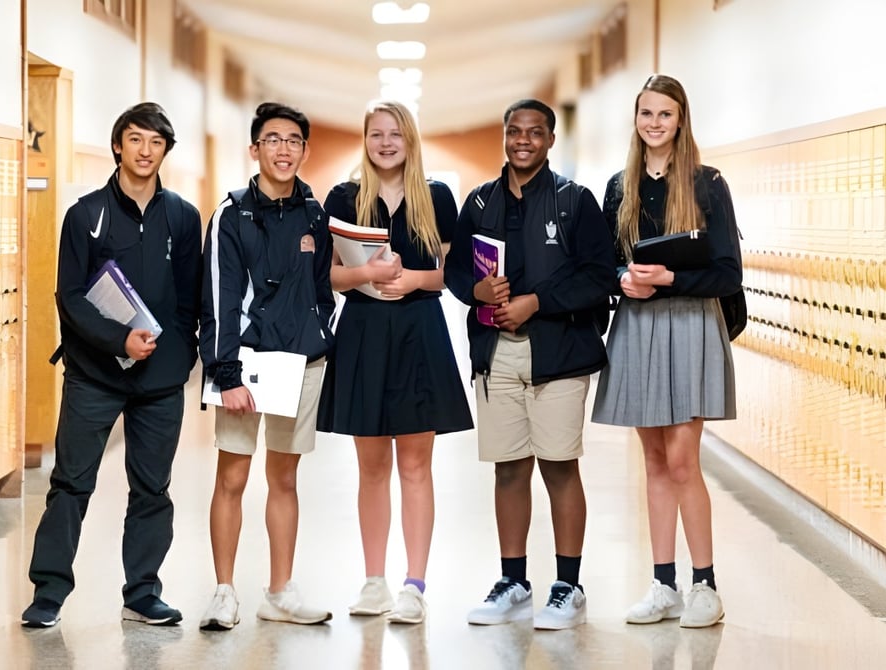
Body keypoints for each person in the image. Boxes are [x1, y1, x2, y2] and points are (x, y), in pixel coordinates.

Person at [21, 102, 203, 628]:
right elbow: (70, 297)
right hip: (94, 375)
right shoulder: (85, 215)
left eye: (156, 142)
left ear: (166, 150)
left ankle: (142, 592)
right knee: (71, 484)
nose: (146, 151)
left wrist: (180, 355)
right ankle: (48, 592)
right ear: (118, 145)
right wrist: (119, 339)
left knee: (153, 489)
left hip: (161, 380)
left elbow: (191, 299)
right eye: (136, 140)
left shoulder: (183, 218)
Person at [444, 99, 616, 630]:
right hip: (497, 354)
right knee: (509, 468)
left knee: (559, 466)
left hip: (559, 354)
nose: (523, 140)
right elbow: (453, 271)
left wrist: (536, 302)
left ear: (550, 139)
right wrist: (475, 290)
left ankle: (568, 585)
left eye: (534, 132)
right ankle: (514, 581)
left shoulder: (576, 202)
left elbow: (599, 277)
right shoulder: (479, 201)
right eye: (514, 131)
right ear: (504, 136)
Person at [590, 74, 741, 629]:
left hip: (689, 324)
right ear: (636, 120)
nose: (654, 123)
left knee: (682, 461)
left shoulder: (707, 184)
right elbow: (603, 262)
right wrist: (621, 280)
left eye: (665, 115)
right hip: (637, 325)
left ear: (681, 120)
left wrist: (669, 277)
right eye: (646, 114)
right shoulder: (619, 187)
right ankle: (663, 584)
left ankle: (706, 585)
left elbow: (727, 272)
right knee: (652, 461)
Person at [316, 100, 474, 625]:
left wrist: (412, 280)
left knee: (415, 465)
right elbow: (329, 276)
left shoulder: (436, 197)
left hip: (418, 333)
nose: (385, 143)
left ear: (410, 140)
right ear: (365, 140)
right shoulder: (342, 197)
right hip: (363, 333)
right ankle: (374, 581)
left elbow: (454, 275)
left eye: (395, 134)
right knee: (372, 468)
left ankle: (415, 584)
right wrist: (367, 277)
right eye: (376, 134)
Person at [198, 102, 334, 630]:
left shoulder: (314, 213)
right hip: (246, 366)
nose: (284, 149)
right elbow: (218, 298)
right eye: (273, 140)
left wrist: (320, 334)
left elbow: (322, 285)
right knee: (231, 476)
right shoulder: (231, 214)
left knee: (284, 478)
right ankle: (224, 592)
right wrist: (225, 374)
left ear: (304, 149)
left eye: (294, 140)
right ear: (254, 149)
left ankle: (279, 591)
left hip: (299, 361)